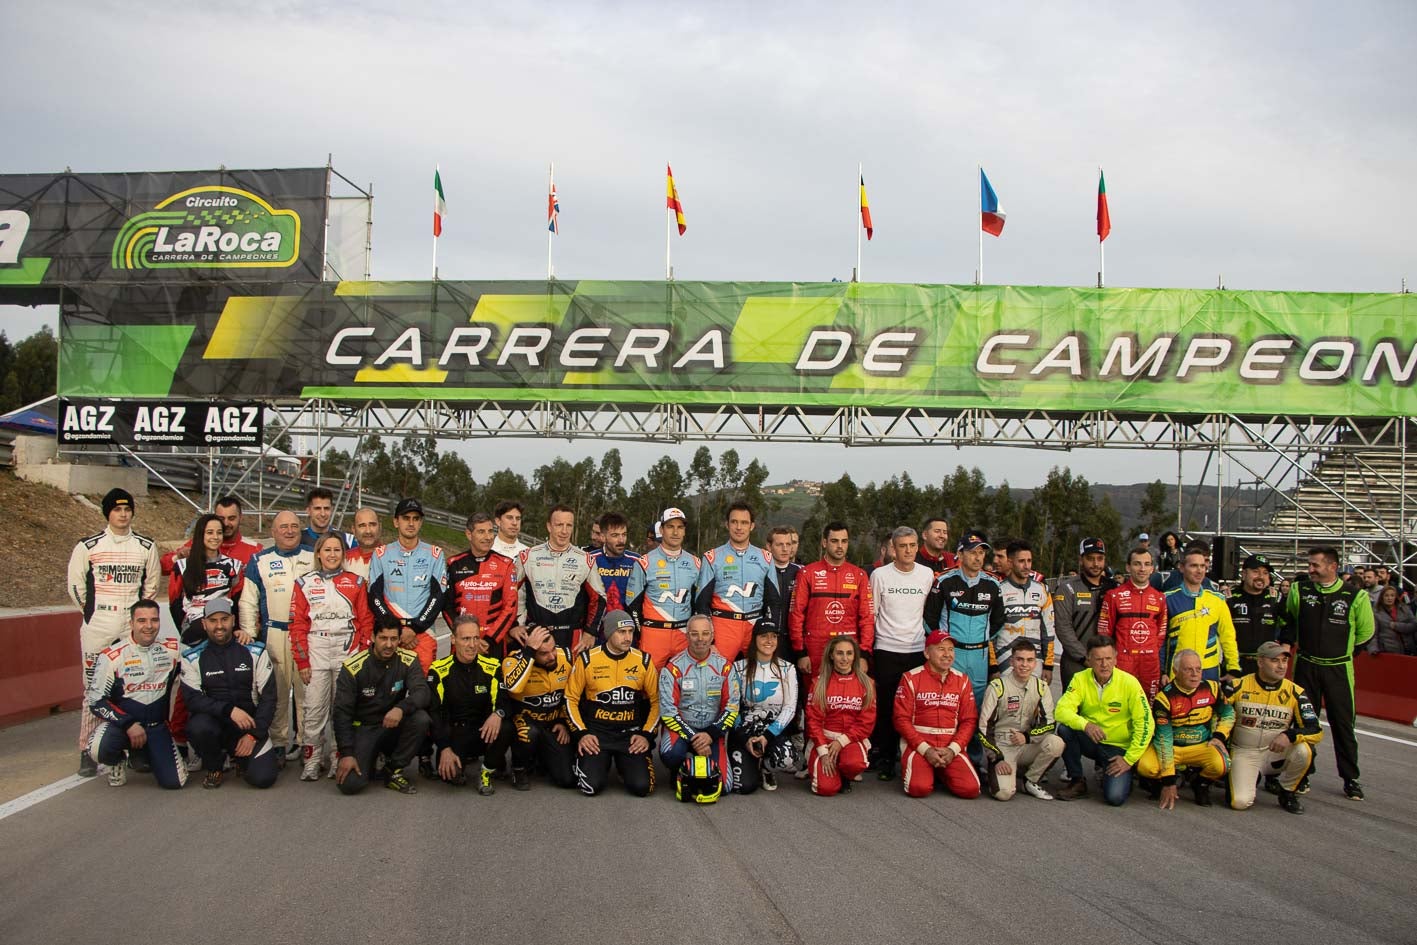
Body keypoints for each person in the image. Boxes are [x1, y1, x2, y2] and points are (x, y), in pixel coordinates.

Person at [68, 487, 163, 776]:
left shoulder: (146, 547)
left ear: (132, 512)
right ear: (107, 513)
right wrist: (92, 613)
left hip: (130, 626)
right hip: (100, 624)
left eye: (127, 509)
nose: (122, 514)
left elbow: (151, 586)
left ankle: (133, 748)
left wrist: (136, 619)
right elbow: (76, 587)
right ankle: (88, 749)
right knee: (94, 689)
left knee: (133, 686)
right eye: (116, 510)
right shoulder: (88, 546)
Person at [1284, 545, 1374, 801]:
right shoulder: (1299, 590)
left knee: (1343, 724)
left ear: (1332, 567)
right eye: (1309, 564)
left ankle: (1351, 778)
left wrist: (1343, 653)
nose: (1310, 569)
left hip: (1339, 668)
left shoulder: (1355, 596)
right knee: (1303, 723)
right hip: (1306, 666)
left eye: (1315, 565)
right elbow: (1289, 619)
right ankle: (1303, 774)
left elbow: (1366, 633)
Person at [289, 533, 374, 781]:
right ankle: (312, 759)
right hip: (316, 645)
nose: (332, 554)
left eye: (337, 550)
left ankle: (340, 756)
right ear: (318, 553)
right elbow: (297, 625)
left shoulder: (356, 582)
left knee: (343, 707)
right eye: (327, 550)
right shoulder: (304, 583)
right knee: (314, 708)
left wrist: (360, 650)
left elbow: (366, 621)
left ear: (344, 554)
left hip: (346, 647)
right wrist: (302, 661)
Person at [239, 510, 315, 767]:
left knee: (308, 691)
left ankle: (308, 744)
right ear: (273, 531)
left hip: (306, 634)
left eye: (294, 526)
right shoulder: (259, 560)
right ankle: (279, 744)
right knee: (278, 692)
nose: (290, 531)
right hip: (274, 633)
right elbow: (248, 601)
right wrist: (250, 634)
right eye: (283, 527)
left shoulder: (312, 556)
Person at [179, 598, 280, 789]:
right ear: (204, 623)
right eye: (213, 620)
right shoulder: (192, 657)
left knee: (263, 779)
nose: (219, 626)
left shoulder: (255, 651)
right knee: (198, 726)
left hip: (248, 727)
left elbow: (269, 697)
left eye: (224, 619)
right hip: (214, 725)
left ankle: (241, 759)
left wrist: (254, 735)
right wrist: (229, 710)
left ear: (233, 620)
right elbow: (193, 700)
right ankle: (214, 765)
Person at [85, 600, 186, 789]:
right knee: (98, 748)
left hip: (157, 727)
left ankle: (142, 755)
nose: (149, 626)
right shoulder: (112, 656)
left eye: (154, 620)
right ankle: (117, 760)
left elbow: (201, 658)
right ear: (131, 623)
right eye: (142, 621)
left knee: (174, 783)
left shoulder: (172, 649)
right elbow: (96, 701)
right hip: (124, 726)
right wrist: (128, 724)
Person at [332, 617, 432, 795]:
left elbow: (422, 692)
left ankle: (393, 769)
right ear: (373, 637)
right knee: (350, 785)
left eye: (394, 639)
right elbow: (341, 713)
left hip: (392, 724)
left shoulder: (408, 660)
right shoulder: (353, 667)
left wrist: (401, 708)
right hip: (364, 729)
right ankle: (370, 758)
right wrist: (346, 753)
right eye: (383, 638)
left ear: (399, 639)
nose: (388, 645)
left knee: (421, 719)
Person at [566, 610, 661, 797]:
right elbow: (570, 699)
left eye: (630, 632)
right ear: (609, 633)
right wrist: (582, 734)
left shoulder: (643, 660)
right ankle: (590, 761)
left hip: (630, 736)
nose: (628, 637)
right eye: (622, 632)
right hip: (597, 735)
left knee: (643, 788)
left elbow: (656, 701)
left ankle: (624, 767)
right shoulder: (587, 660)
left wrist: (646, 735)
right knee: (590, 787)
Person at [1054, 635, 1155, 805]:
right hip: (1092, 740)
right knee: (1065, 730)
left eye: (1108, 658)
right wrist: (1085, 725)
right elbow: (1061, 710)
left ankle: (1120, 774)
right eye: (1099, 659)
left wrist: (1129, 759)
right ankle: (1077, 781)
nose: (1104, 664)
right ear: (1089, 659)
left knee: (1115, 798)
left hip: (1118, 748)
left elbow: (1146, 724)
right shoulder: (1080, 679)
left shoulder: (1130, 683)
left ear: (1116, 658)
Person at [868, 526, 934, 780]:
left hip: (917, 650)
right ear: (893, 549)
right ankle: (885, 758)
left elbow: (929, 612)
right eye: (902, 546)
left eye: (912, 545)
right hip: (886, 649)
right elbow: (872, 614)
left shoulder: (927, 574)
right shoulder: (880, 575)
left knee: (913, 709)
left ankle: (910, 756)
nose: (908, 551)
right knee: (886, 708)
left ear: (918, 547)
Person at [1228, 641, 1323, 814]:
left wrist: (1290, 735)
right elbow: (1216, 717)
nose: (1281, 666)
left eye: (1284, 661)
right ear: (1260, 662)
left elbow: (1316, 730)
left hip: (1275, 753)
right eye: (1275, 661)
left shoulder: (1296, 692)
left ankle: (1287, 792)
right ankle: (1248, 776)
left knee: (1305, 750)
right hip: (1245, 752)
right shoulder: (1237, 686)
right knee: (1239, 802)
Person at [922, 530, 1003, 728]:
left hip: (979, 655)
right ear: (961, 554)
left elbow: (999, 620)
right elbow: (929, 619)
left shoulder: (993, 584)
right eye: (972, 552)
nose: (977, 557)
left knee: (975, 705)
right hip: (952, 653)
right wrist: (944, 645)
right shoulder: (944, 581)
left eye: (981, 553)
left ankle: (973, 753)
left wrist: (982, 639)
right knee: (948, 700)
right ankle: (946, 745)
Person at [1136, 649, 1234, 809]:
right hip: (1172, 747)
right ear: (1175, 671)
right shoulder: (1164, 698)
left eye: (1198, 669)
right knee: (1145, 766)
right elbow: (1164, 740)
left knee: (1223, 764)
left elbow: (1229, 712)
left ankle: (1200, 784)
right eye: (1188, 669)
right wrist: (1169, 781)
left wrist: (1219, 736)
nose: (1195, 674)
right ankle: (1159, 783)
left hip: (1201, 745)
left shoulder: (1213, 688)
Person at [659, 615, 742, 799]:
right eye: (694, 634)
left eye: (705, 634)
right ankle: (681, 767)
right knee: (670, 754)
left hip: (712, 732)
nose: (700, 639)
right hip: (682, 729)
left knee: (725, 787)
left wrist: (710, 735)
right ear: (687, 636)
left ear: (712, 636)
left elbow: (732, 707)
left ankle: (697, 764)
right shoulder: (673, 668)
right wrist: (694, 739)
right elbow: (668, 713)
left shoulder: (725, 667)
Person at [426, 616, 510, 794]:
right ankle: (455, 759)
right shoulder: (438, 670)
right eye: (465, 639)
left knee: (506, 725)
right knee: (452, 777)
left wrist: (498, 714)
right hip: (456, 733)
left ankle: (486, 771)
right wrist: (444, 748)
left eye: (476, 638)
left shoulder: (493, 666)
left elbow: (503, 700)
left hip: (484, 732)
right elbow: (434, 713)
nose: (472, 645)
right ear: (453, 640)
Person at [894, 631, 983, 800]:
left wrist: (953, 749)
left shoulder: (962, 680)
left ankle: (941, 770)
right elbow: (901, 720)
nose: (947, 654)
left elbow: (969, 721)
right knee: (918, 789)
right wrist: (925, 750)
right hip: (919, 745)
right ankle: (930, 769)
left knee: (971, 790)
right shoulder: (910, 678)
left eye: (950, 649)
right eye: (941, 649)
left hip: (950, 745)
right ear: (927, 653)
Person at [367, 497, 448, 672]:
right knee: (388, 692)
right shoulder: (381, 554)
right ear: (396, 522)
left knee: (422, 691)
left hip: (422, 634)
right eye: (406, 518)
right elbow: (374, 597)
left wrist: (415, 627)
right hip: (390, 635)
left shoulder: (435, 554)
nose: (411, 523)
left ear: (421, 523)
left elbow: (438, 596)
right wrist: (396, 630)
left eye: (416, 519)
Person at [978, 640, 1063, 801]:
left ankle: (1030, 780)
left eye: (1029, 660)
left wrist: (1027, 737)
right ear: (1012, 661)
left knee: (1056, 743)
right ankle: (997, 768)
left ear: (1035, 663)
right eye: (1020, 659)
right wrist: (997, 758)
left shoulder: (1041, 687)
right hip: (1003, 746)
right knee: (1003, 794)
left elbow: (1050, 724)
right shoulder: (997, 687)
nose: (1024, 665)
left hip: (1026, 743)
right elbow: (983, 728)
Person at [515, 504, 606, 654]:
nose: (564, 531)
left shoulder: (585, 559)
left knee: (571, 677)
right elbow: (513, 594)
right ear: (549, 526)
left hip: (572, 635)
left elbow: (599, 598)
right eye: (559, 525)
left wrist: (591, 632)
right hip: (537, 633)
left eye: (569, 525)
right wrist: (515, 625)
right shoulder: (527, 556)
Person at [789, 521, 875, 681]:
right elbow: (796, 614)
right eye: (835, 541)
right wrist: (801, 652)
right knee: (814, 697)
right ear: (824, 542)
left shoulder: (859, 575)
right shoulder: (807, 573)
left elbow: (867, 618)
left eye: (844, 541)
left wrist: (864, 653)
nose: (840, 546)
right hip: (815, 647)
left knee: (846, 697)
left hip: (848, 650)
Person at [696, 502, 780, 661]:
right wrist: (710, 638)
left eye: (744, 522)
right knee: (719, 677)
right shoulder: (712, 557)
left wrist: (770, 633)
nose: (739, 527)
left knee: (756, 677)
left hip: (754, 625)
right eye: (734, 522)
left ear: (752, 526)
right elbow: (701, 602)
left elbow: (774, 601)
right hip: (723, 626)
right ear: (727, 525)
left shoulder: (765, 558)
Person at [729, 618, 800, 793]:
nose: (769, 641)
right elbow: (731, 707)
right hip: (744, 732)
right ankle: (750, 761)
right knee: (745, 787)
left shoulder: (787, 668)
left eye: (773, 636)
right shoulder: (737, 668)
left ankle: (766, 768)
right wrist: (745, 739)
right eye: (764, 636)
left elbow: (790, 708)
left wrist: (767, 736)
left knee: (787, 759)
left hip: (772, 732)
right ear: (754, 640)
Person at [501, 626, 576, 790]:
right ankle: (518, 767)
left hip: (552, 724)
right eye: (543, 653)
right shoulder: (512, 660)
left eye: (553, 649)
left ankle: (541, 757)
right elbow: (513, 687)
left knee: (567, 779)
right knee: (528, 733)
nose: (551, 657)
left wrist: (564, 723)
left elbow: (573, 696)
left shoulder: (567, 656)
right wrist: (529, 654)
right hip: (525, 723)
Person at [626, 507, 702, 669]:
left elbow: (699, 603)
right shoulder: (644, 562)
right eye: (670, 527)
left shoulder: (695, 563)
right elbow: (633, 605)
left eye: (680, 527)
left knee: (685, 685)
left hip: (683, 634)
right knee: (649, 687)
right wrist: (642, 633)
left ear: (684, 531)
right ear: (661, 530)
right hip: (654, 633)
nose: (675, 532)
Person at [805, 636, 876, 797]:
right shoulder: (819, 682)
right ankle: (825, 767)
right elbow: (813, 721)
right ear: (831, 655)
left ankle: (845, 774)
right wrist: (823, 752)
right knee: (826, 789)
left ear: (855, 656)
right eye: (840, 653)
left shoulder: (867, 683)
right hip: (824, 739)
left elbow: (866, 722)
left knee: (854, 764)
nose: (845, 658)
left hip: (851, 740)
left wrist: (841, 742)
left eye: (849, 653)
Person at [1096, 546, 1167, 700]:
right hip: (1123, 661)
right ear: (1128, 567)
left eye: (1146, 564)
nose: (1142, 569)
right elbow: (1104, 633)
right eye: (1137, 564)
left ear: (1152, 568)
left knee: (1149, 707)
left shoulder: (1160, 598)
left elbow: (1161, 632)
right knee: (1119, 706)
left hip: (1150, 663)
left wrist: (1151, 650)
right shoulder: (1114, 595)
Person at [445, 512, 519, 657]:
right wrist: (464, 636)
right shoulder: (454, 564)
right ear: (468, 534)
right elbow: (447, 606)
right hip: (462, 642)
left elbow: (510, 608)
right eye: (481, 532)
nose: (487, 537)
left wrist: (489, 640)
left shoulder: (506, 564)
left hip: (493, 643)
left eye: (491, 531)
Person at [1164, 547, 1240, 686]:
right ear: (1182, 567)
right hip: (1176, 672)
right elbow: (1160, 641)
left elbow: (1228, 636)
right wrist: (1162, 671)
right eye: (1193, 566)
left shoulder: (1218, 600)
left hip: (1208, 672)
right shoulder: (1167, 598)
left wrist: (1233, 668)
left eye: (1202, 566)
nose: (1199, 570)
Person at [169, 513, 245, 645]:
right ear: (200, 534)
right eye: (210, 532)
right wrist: (184, 629)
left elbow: (239, 601)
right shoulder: (182, 566)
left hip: (224, 628)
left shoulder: (234, 565)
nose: (215, 537)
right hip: (194, 629)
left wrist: (237, 628)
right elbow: (174, 603)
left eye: (219, 533)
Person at [1052, 537, 1116, 690]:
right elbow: (1063, 628)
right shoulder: (1067, 589)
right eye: (1090, 559)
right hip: (1076, 662)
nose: (1095, 564)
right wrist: (1085, 658)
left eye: (1100, 559)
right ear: (1081, 560)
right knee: (1074, 711)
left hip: (1108, 662)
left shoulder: (1115, 588)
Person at [994, 539, 1056, 682]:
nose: (1026, 566)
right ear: (1010, 562)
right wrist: (993, 666)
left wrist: (1048, 665)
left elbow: (1048, 630)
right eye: (1021, 561)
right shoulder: (998, 590)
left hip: (1035, 659)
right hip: (1005, 659)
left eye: (1029, 561)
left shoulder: (1042, 589)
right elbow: (991, 634)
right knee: (1006, 703)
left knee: (1033, 702)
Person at [161, 494, 263, 575]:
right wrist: (178, 557)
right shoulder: (199, 543)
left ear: (241, 518)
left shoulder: (255, 550)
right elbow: (163, 567)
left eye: (231, 518)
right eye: (221, 519)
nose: (226, 524)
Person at [1229, 554, 1292, 675]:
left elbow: (1289, 624)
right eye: (1255, 572)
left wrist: (1285, 646)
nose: (1261, 577)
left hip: (1267, 663)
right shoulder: (1229, 597)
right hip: (1235, 663)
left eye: (1265, 573)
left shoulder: (1276, 597)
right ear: (1244, 574)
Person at [592, 512, 645, 613]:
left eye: (624, 534)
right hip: (597, 626)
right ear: (603, 537)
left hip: (628, 625)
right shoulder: (590, 560)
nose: (621, 540)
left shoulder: (637, 561)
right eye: (615, 535)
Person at [765, 525, 802, 632]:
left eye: (788, 544)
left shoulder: (801, 572)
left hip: (792, 636)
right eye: (779, 545)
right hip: (767, 635)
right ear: (769, 546)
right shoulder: (761, 571)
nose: (785, 549)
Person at [299, 487, 355, 551]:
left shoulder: (348, 540)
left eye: (326, 508)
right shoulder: (297, 539)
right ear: (308, 511)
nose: (323, 514)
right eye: (317, 508)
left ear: (332, 510)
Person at [1372, 585, 1416, 655]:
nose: (1389, 598)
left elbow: (1414, 626)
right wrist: (1374, 649)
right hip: (1388, 651)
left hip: (1408, 649)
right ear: (1382, 597)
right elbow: (1374, 633)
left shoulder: (1405, 608)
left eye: (1392, 595)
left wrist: (1397, 626)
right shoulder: (1376, 613)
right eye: (1386, 596)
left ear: (1395, 597)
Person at [344, 507, 383, 579]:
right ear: (353, 529)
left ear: (380, 527)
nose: (368, 531)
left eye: (372, 525)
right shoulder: (343, 560)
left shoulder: (393, 558)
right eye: (362, 526)